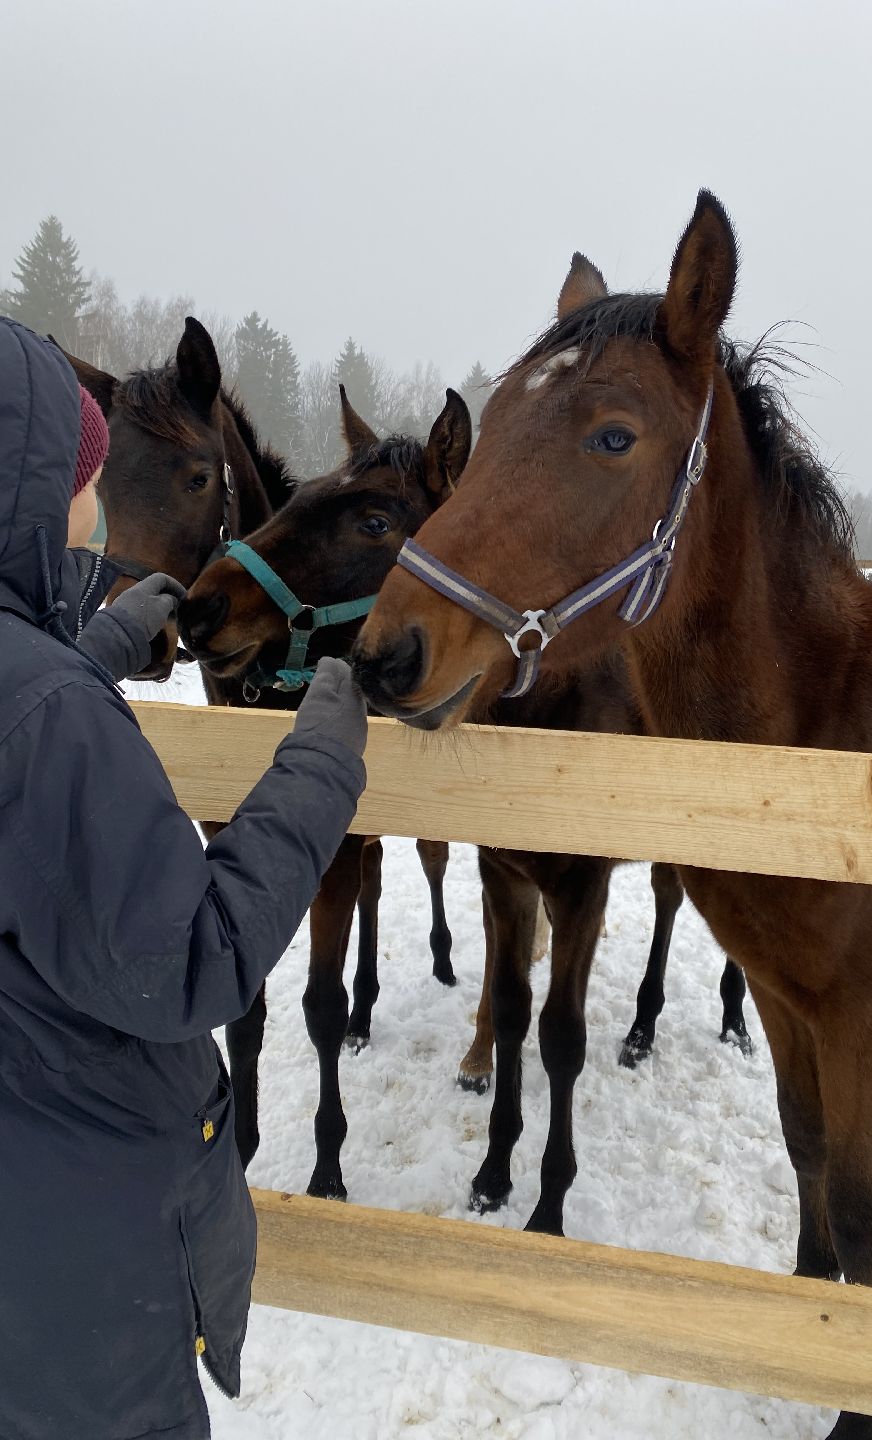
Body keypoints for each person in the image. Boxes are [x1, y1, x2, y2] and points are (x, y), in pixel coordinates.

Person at [0, 316, 370, 1440]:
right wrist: (322, 760)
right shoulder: (49, 718)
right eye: (87, 477)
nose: (103, 506)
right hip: (90, 1284)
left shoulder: (39, 695)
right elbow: (190, 959)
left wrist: (95, 650)